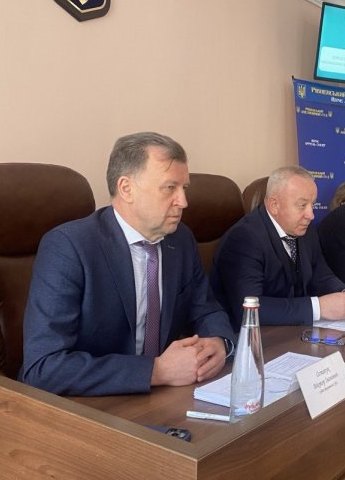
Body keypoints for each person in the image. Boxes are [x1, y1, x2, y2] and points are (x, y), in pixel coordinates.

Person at [20, 132, 234, 396]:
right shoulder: (69, 247)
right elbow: (44, 368)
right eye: (170, 188)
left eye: (184, 188)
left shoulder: (180, 239)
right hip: (90, 402)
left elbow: (206, 309)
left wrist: (219, 342)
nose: (183, 202)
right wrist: (156, 371)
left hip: (163, 396)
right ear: (126, 189)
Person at [211, 166, 345, 331]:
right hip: (254, 336)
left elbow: (321, 274)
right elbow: (250, 309)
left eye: (312, 204)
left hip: (294, 329)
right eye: (302, 205)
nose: (311, 215)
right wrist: (318, 307)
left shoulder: (305, 229)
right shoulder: (244, 238)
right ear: (274, 205)